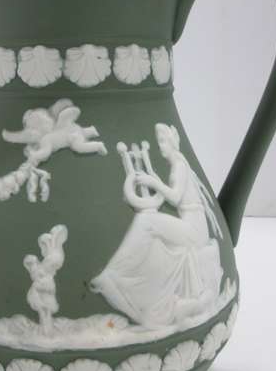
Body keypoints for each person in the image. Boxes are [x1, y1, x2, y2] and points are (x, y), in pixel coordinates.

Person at [90, 124, 223, 328]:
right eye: (159, 141)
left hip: (193, 230)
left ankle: (116, 271)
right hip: (189, 225)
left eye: (162, 141)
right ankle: (120, 274)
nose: (160, 146)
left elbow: (175, 197)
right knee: (147, 220)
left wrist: (153, 183)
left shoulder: (180, 163)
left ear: (172, 142)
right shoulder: (178, 162)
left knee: (147, 221)